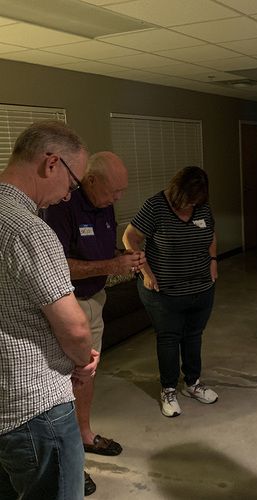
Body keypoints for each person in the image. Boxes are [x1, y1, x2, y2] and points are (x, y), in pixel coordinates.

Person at [0, 120, 99, 500]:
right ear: (51, 163)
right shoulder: (30, 230)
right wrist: (83, 363)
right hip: (35, 408)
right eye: (72, 185)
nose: (69, 197)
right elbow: (74, 329)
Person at [43, 151, 146, 495]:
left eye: (122, 191)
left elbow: (99, 251)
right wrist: (110, 266)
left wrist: (122, 257)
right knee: (66, 381)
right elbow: (57, 265)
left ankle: (84, 435)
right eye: (114, 190)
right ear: (91, 180)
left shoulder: (104, 204)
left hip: (94, 300)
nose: (118, 197)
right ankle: (71, 460)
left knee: (87, 375)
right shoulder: (61, 207)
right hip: (68, 304)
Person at [122, 166, 218, 418]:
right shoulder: (155, 206)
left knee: (194, 335)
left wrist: (213, 260)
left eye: (194, 202)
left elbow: (210, 234)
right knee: (168, 339)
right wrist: (145, 271)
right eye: (187, 201)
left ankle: (192, 383)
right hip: (164, 292)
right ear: (177, 191)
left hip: (201, 288)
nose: (190, 206)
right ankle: (168, 389)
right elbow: (130, 238)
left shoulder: (203, 207)